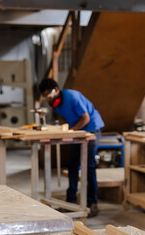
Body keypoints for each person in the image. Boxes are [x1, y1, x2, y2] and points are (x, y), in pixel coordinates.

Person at [38, 78, 104, 217]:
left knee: (88, 166)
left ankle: (92, 203)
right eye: (44, 97)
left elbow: (85, 118)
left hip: (91, 128)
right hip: (77, 130)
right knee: (73, 164)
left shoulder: (72, 97)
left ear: (56, 90)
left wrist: (71, 131)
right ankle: (71, 201)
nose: (47, 99)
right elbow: (63, 117)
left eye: (48, 95)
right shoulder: (54, 102)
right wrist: (62, 128)